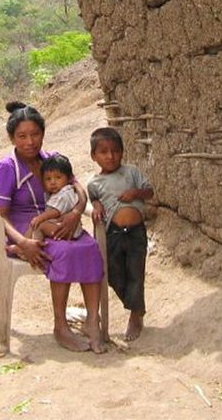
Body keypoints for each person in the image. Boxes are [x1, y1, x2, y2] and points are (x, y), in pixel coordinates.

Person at [0, 101, 105, 353]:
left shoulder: (51, 160)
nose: (30, 142)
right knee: (64, 251)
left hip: (58, 221)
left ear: (43, 133)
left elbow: (77, 188)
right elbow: (0, 215)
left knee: (89, 246)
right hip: (25, 228)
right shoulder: (6, 168)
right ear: (12, 138)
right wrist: (23, 243)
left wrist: (76, 212)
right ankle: (60, 325)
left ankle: (92, 322)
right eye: (22, 136)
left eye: (35, 134)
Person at [88, 127, 154, 341]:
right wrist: (97, 206)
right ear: (94, 156)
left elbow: (149, 192)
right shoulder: (94, 183)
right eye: (104, 152)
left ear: (122, 152)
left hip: (135, 233)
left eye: (115, 151)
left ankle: (135, 316)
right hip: (113, 234)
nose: (110, 156)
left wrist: (136, 192)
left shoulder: (131, 172)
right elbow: (93, 199)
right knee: (114, 275)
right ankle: (136, 305)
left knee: (136, 272)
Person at [29, 154, 83, 240]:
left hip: (68, 229)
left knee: (39, 225)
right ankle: (24, 244)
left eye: (58, 177)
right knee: (34, 225)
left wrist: (40, 218)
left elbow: (56, 211)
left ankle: (35, 244)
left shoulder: (66, 193)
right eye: (48, 179)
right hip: (58, 224)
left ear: (69, 178)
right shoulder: (55, 193)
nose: (53, 182)